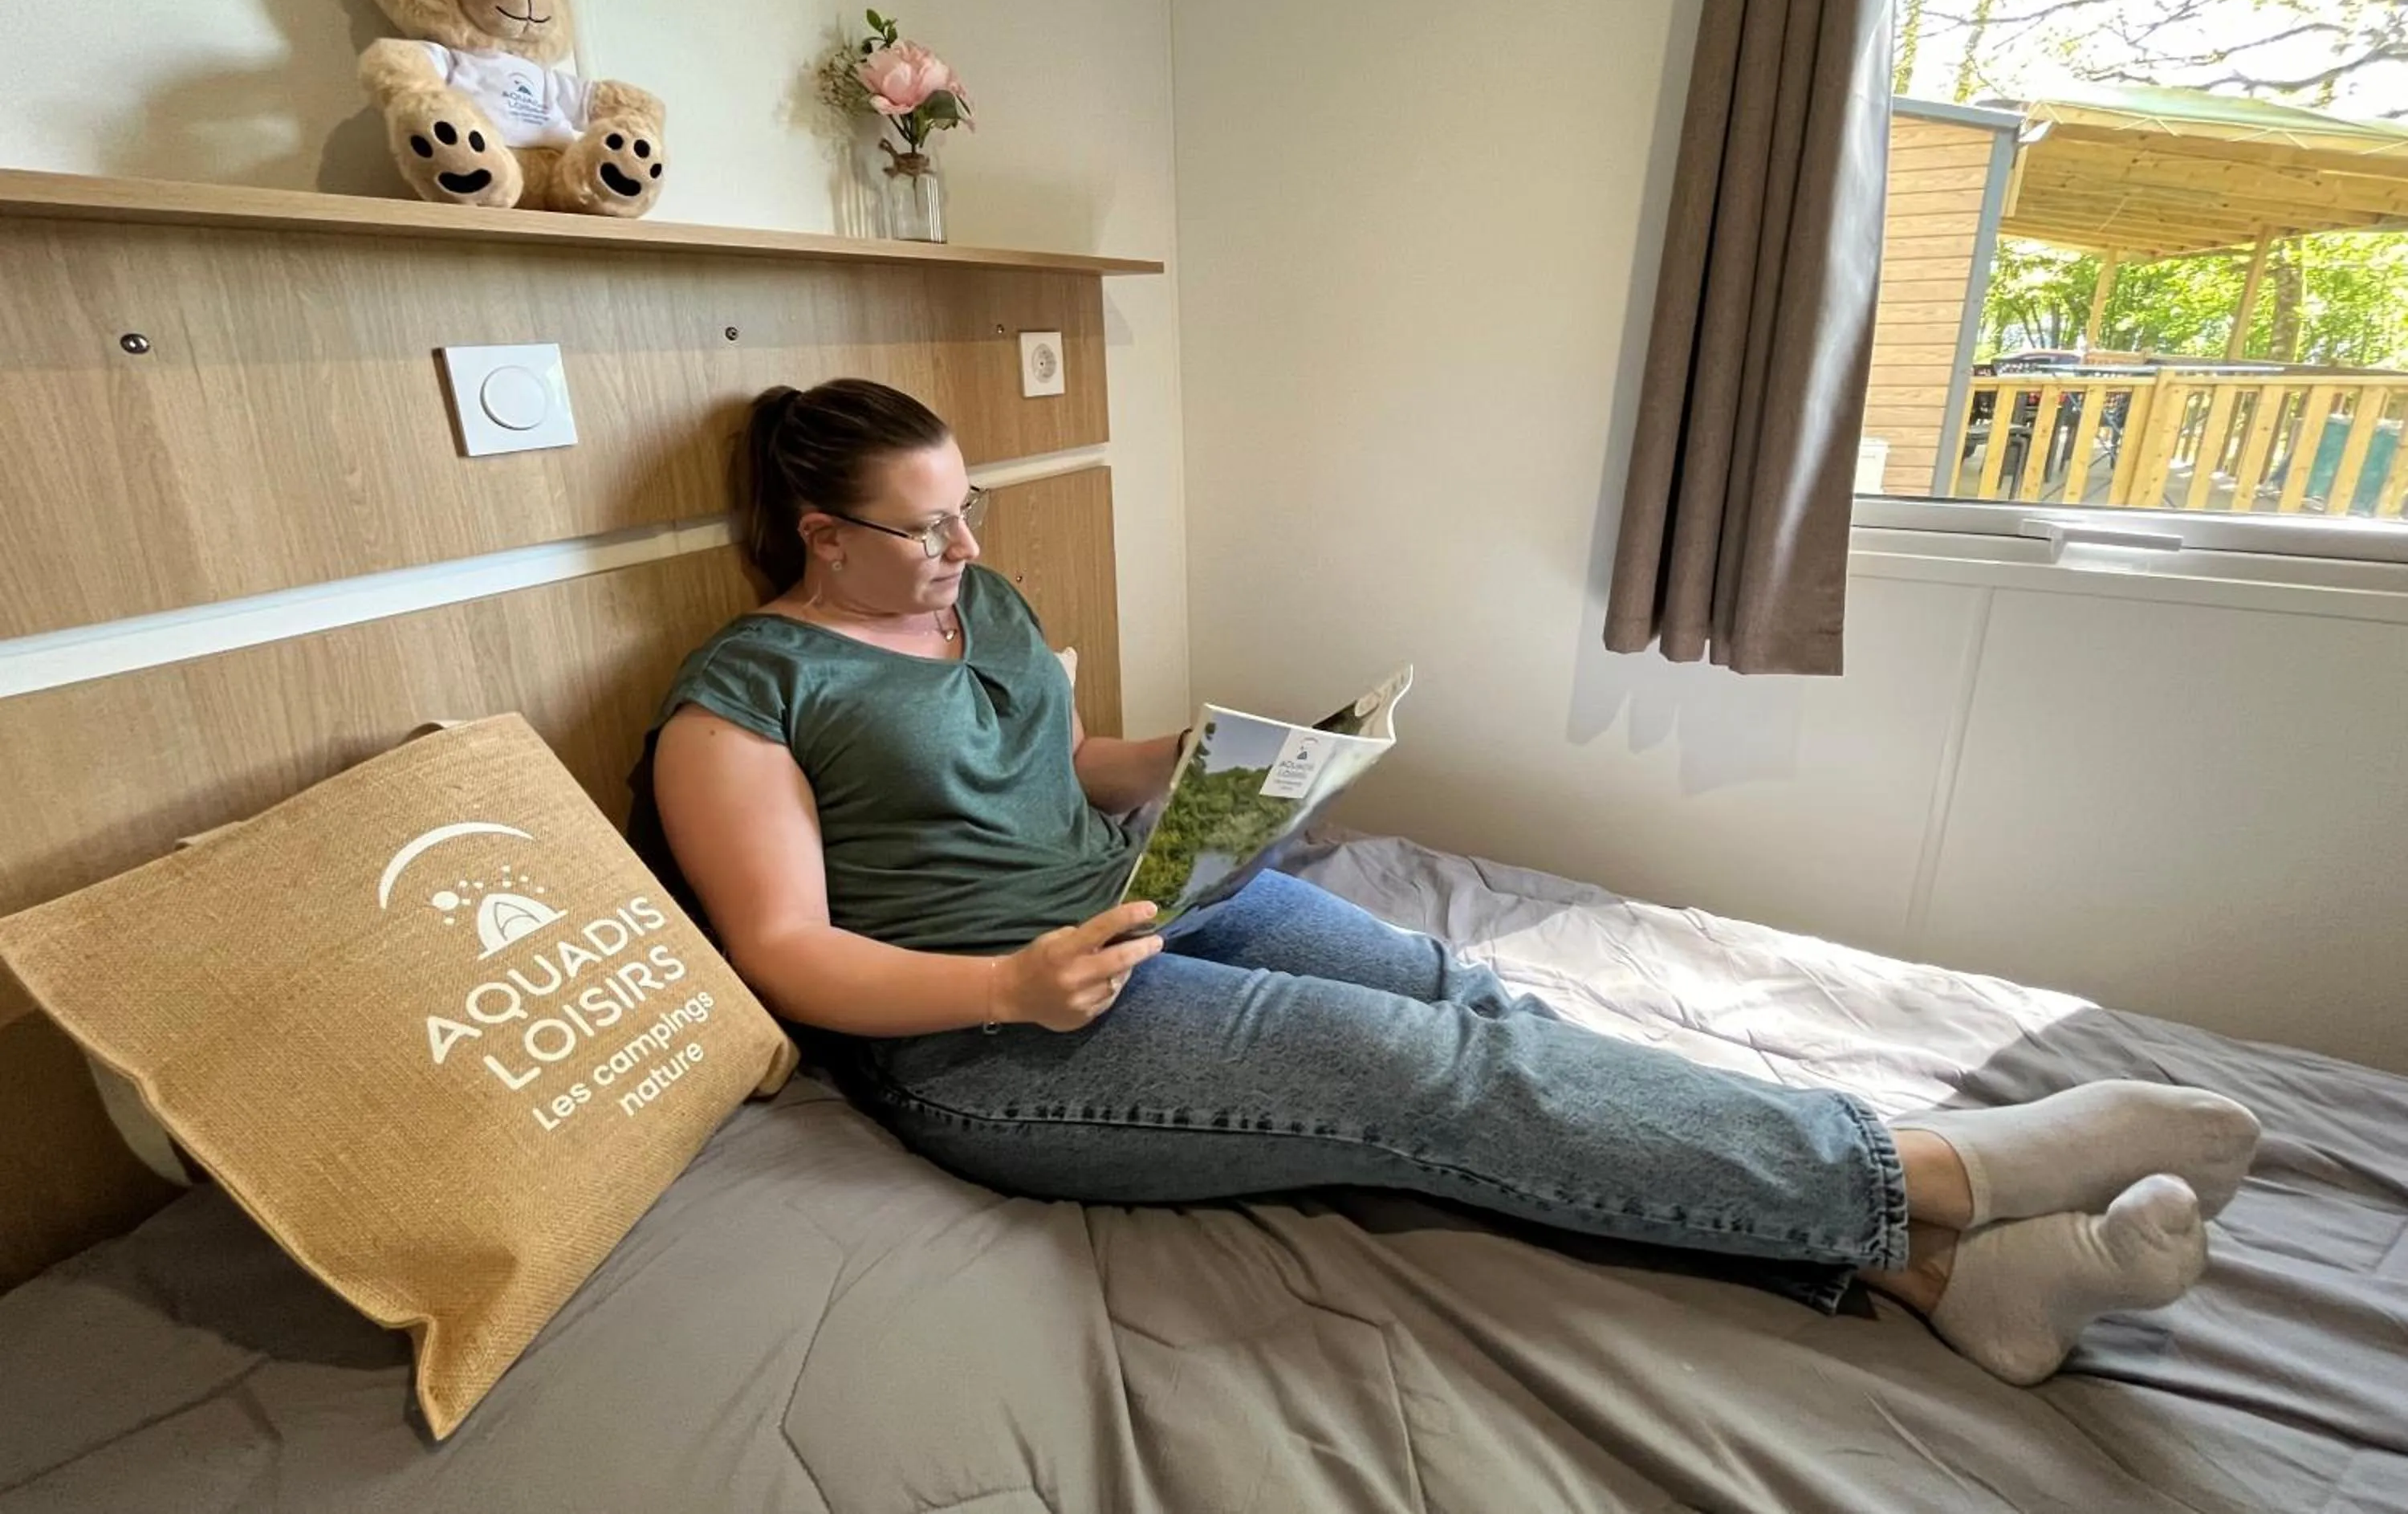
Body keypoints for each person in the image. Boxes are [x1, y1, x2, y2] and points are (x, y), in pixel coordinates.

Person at [632, 378, 2260, 1386]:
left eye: (967, 507)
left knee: (1476, 999)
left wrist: (1226, 757)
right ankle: (1945, 1181)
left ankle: (1930, 1273)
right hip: (982, 1034)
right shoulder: (743, 700)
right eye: (920, 528)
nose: (964, 549)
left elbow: (1043, 767)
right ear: (814, 530)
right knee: (1426, 1076)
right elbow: (781, 950)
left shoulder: (973, 611)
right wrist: (1003, 985)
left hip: (1150, 899)